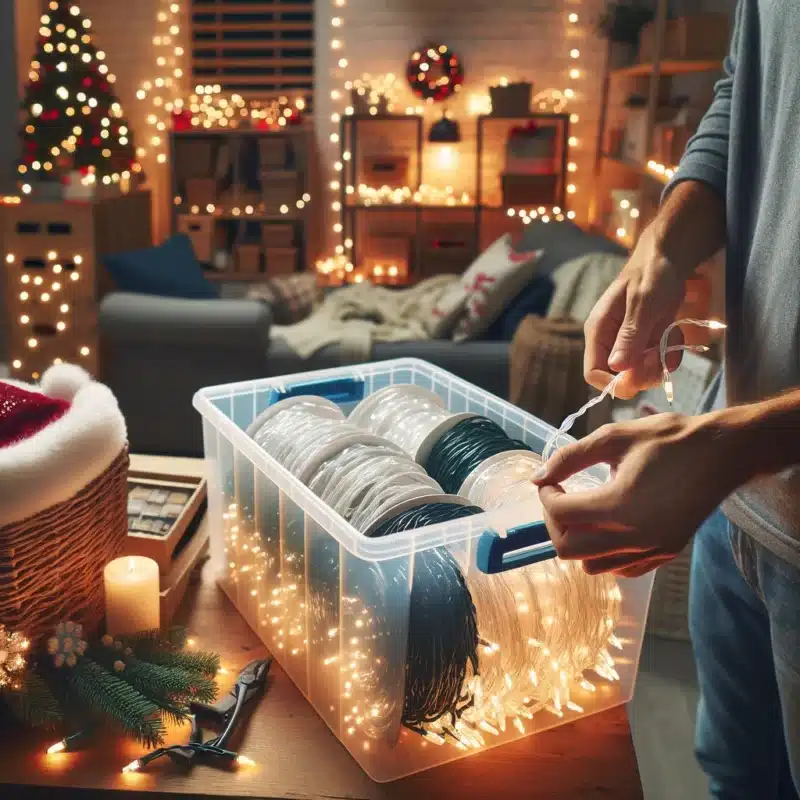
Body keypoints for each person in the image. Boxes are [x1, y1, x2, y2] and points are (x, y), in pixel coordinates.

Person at [532, 3, 800, 798]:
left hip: (745, 469)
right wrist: (661, 245)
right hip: (735, 508)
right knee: (732, 780)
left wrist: (738, 444)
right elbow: (745, 90)